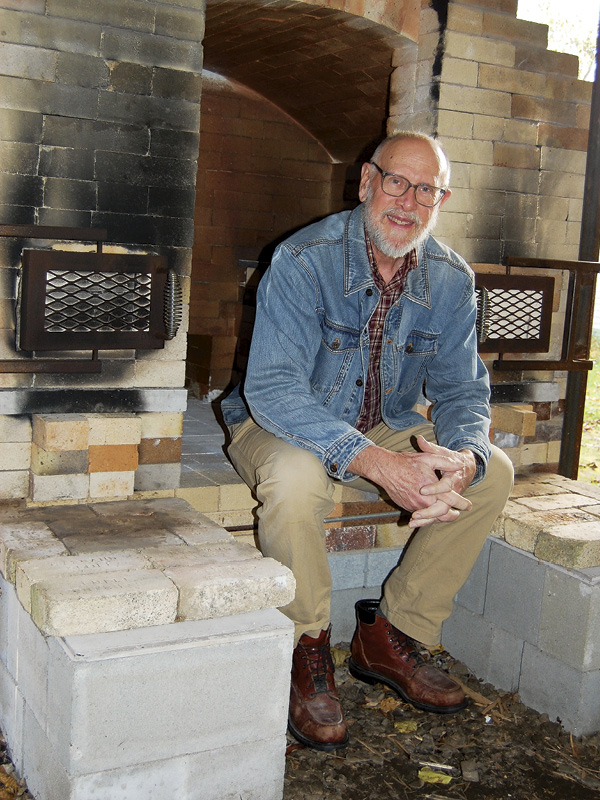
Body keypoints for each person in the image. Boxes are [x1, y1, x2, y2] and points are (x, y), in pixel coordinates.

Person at [221, 131, 514, 752]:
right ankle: (306, 645)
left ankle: (391, 635)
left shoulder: (452, 279)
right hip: (278, 421)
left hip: (383, 420)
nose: (408, 202)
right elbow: (273, 390)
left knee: (497, 472)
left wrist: (462, 456)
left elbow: (463, 392)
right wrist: (378, 464)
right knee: (297, 481)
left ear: (442, 200)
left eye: (426, 189)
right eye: (396, 182)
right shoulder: (304, 259)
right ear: (366, 184)